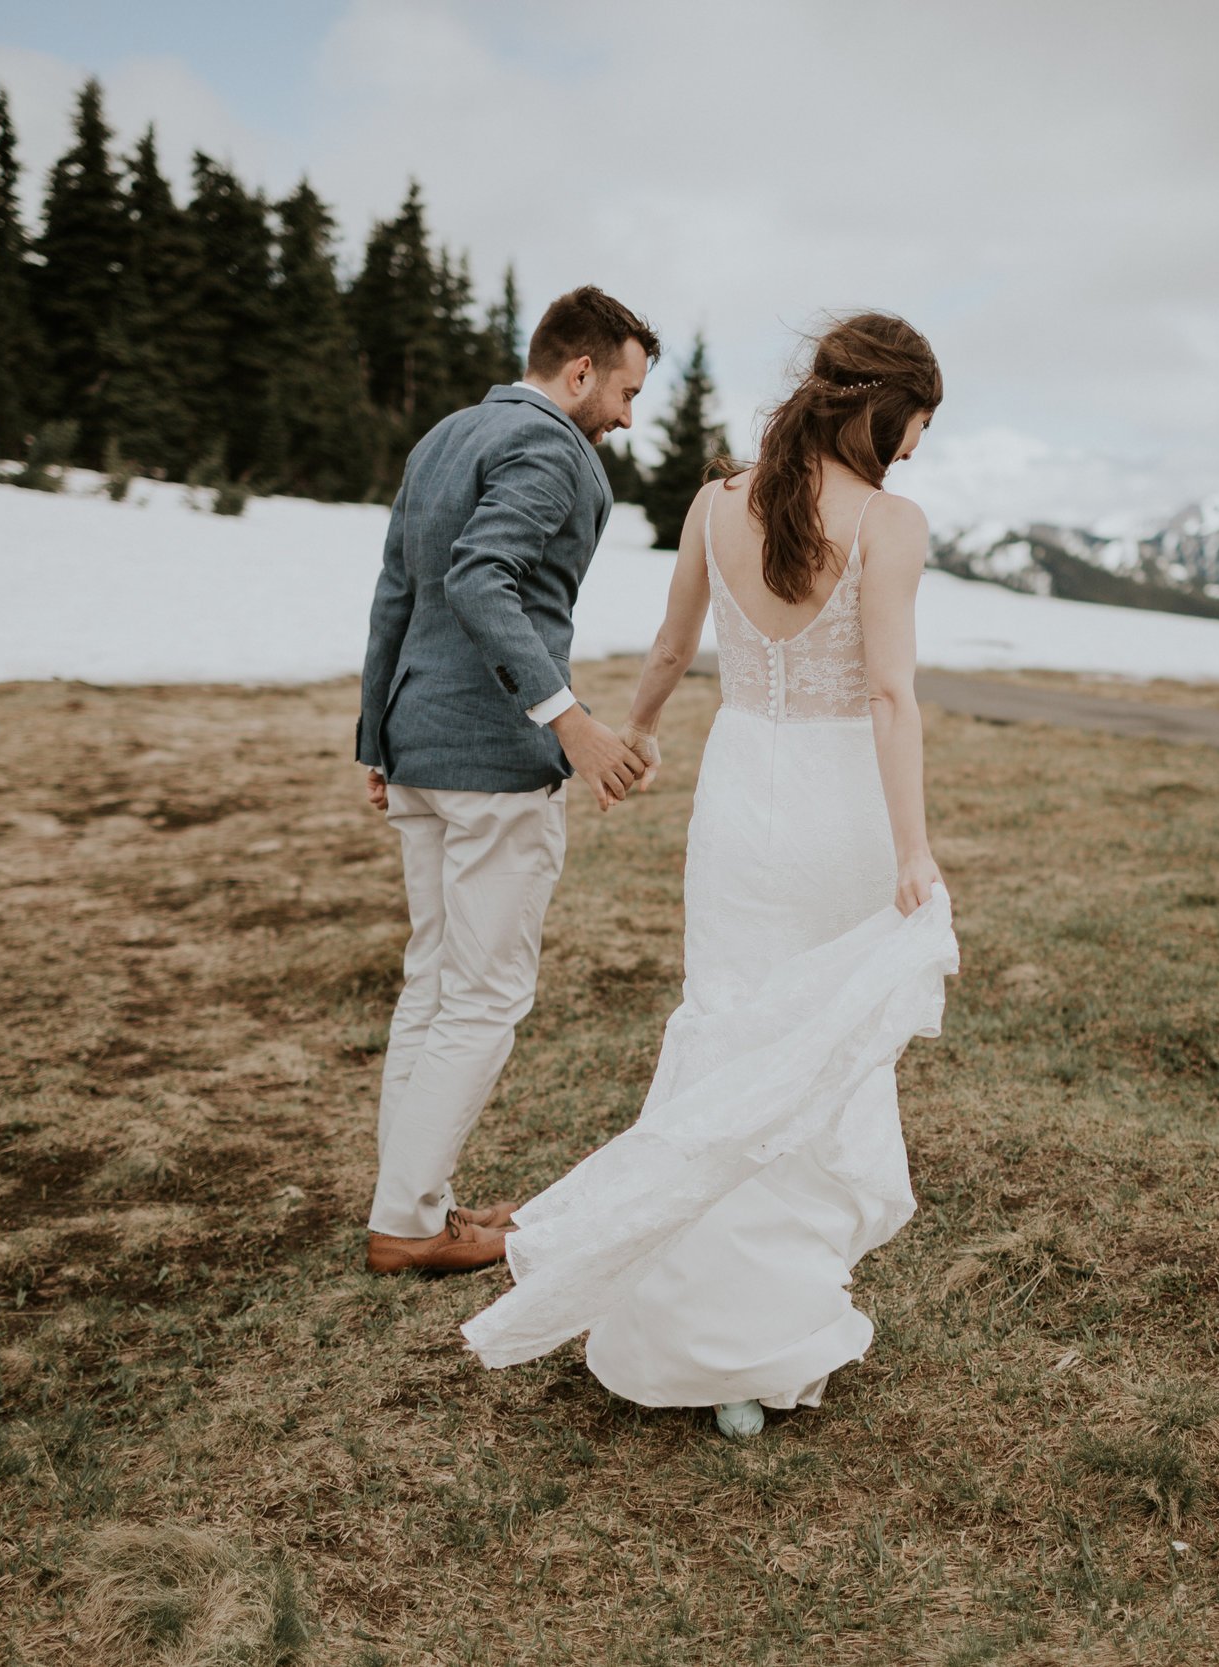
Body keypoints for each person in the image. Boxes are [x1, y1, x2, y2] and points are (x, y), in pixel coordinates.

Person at [463, 314, 960, 1439]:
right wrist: (915, 846)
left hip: (740, 796)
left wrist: (631, 732)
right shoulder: (890, 521)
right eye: (918, 424)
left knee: (733, 1033)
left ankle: (697, 1331)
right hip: (836, 803)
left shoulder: (712, 501)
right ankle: (760, 1343)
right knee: (807, 1049)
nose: (918, 449)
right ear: (879, 409)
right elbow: (890, 697)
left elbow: (671, 647)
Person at [356, 286, 660, 1274]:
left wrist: (376, 734)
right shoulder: (547, 447)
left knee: (434, 980)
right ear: (580, 371)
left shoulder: (446, 435)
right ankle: (408, 1224)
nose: (624, 416)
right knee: (482, 995)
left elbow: (395, 589)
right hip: (491, 762)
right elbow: (476, 577)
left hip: (419, 751)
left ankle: (418, 1198)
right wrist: (566, 720)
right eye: (623, 391)